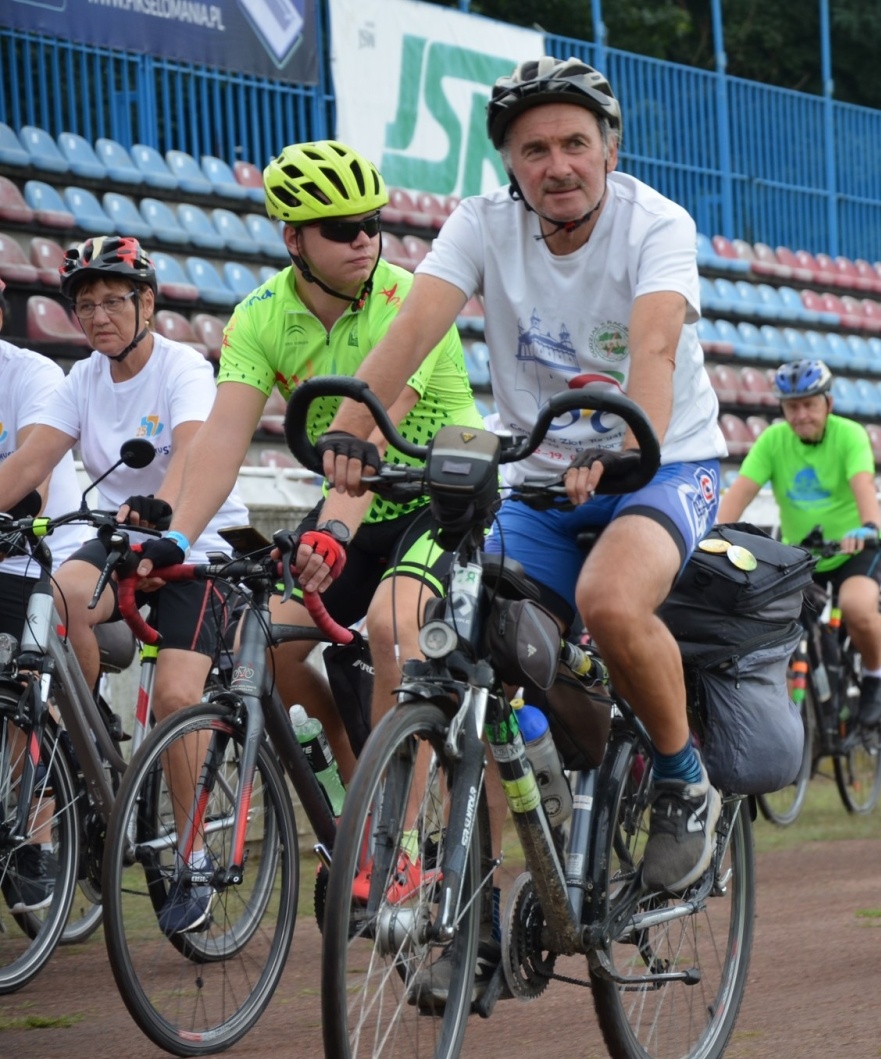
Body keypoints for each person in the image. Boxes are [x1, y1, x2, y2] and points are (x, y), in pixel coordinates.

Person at [312, 57, 726, 999]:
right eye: (533, 148)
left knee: (610, 600)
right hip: (539, 475)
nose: (558, 164)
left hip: (663, 462)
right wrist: (352, 422)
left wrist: (629, 437)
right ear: (508, 162)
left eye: (576, 143)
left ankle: (680, 777)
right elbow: (413, 327)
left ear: (609, 150)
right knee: (437, 641)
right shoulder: (482, 224)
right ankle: (477, 914)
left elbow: (654, 345)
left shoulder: (655, 224)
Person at [134, 141, 482, 830]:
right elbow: (220, 443)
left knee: (389, 624)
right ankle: (352, 764)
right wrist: (177, 535)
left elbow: (370, 439)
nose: (365, 240)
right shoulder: (260, 317)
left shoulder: (410, 301)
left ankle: (401, 843)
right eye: (341, 228)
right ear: (292, 237)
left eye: (372, 224)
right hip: (351, 507)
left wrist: (334, 529)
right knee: (258, 639)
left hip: (437, 502)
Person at [0, 236, 250, 932]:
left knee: (175, 694)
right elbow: (30, 464)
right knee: (57, 598)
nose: (99, 315)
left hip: (197, 545)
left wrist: (163, 518)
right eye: (85, 305)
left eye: (114, 300)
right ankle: (78, 753)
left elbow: (195, 448)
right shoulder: (80, 381)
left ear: (147, 302)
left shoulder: (182, 367)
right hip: (119, 546)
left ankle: (194, 857)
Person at [715, 359, 881, 729]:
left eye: (810, 404)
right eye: (792, 407)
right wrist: (715, 534)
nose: (801, 414)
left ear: (829, 402)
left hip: (854, 549)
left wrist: (869, 526)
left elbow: (863, 486)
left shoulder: (850, 435)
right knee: (778, 628)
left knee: (857, 609)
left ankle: (875, 675)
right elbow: (738, 494)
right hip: (802, 556)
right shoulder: (773, 441)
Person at [0, 276, 95, 914]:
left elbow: (33, 469)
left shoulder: (31, 372)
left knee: (20, 684)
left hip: (47, 554)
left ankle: (39, 827)